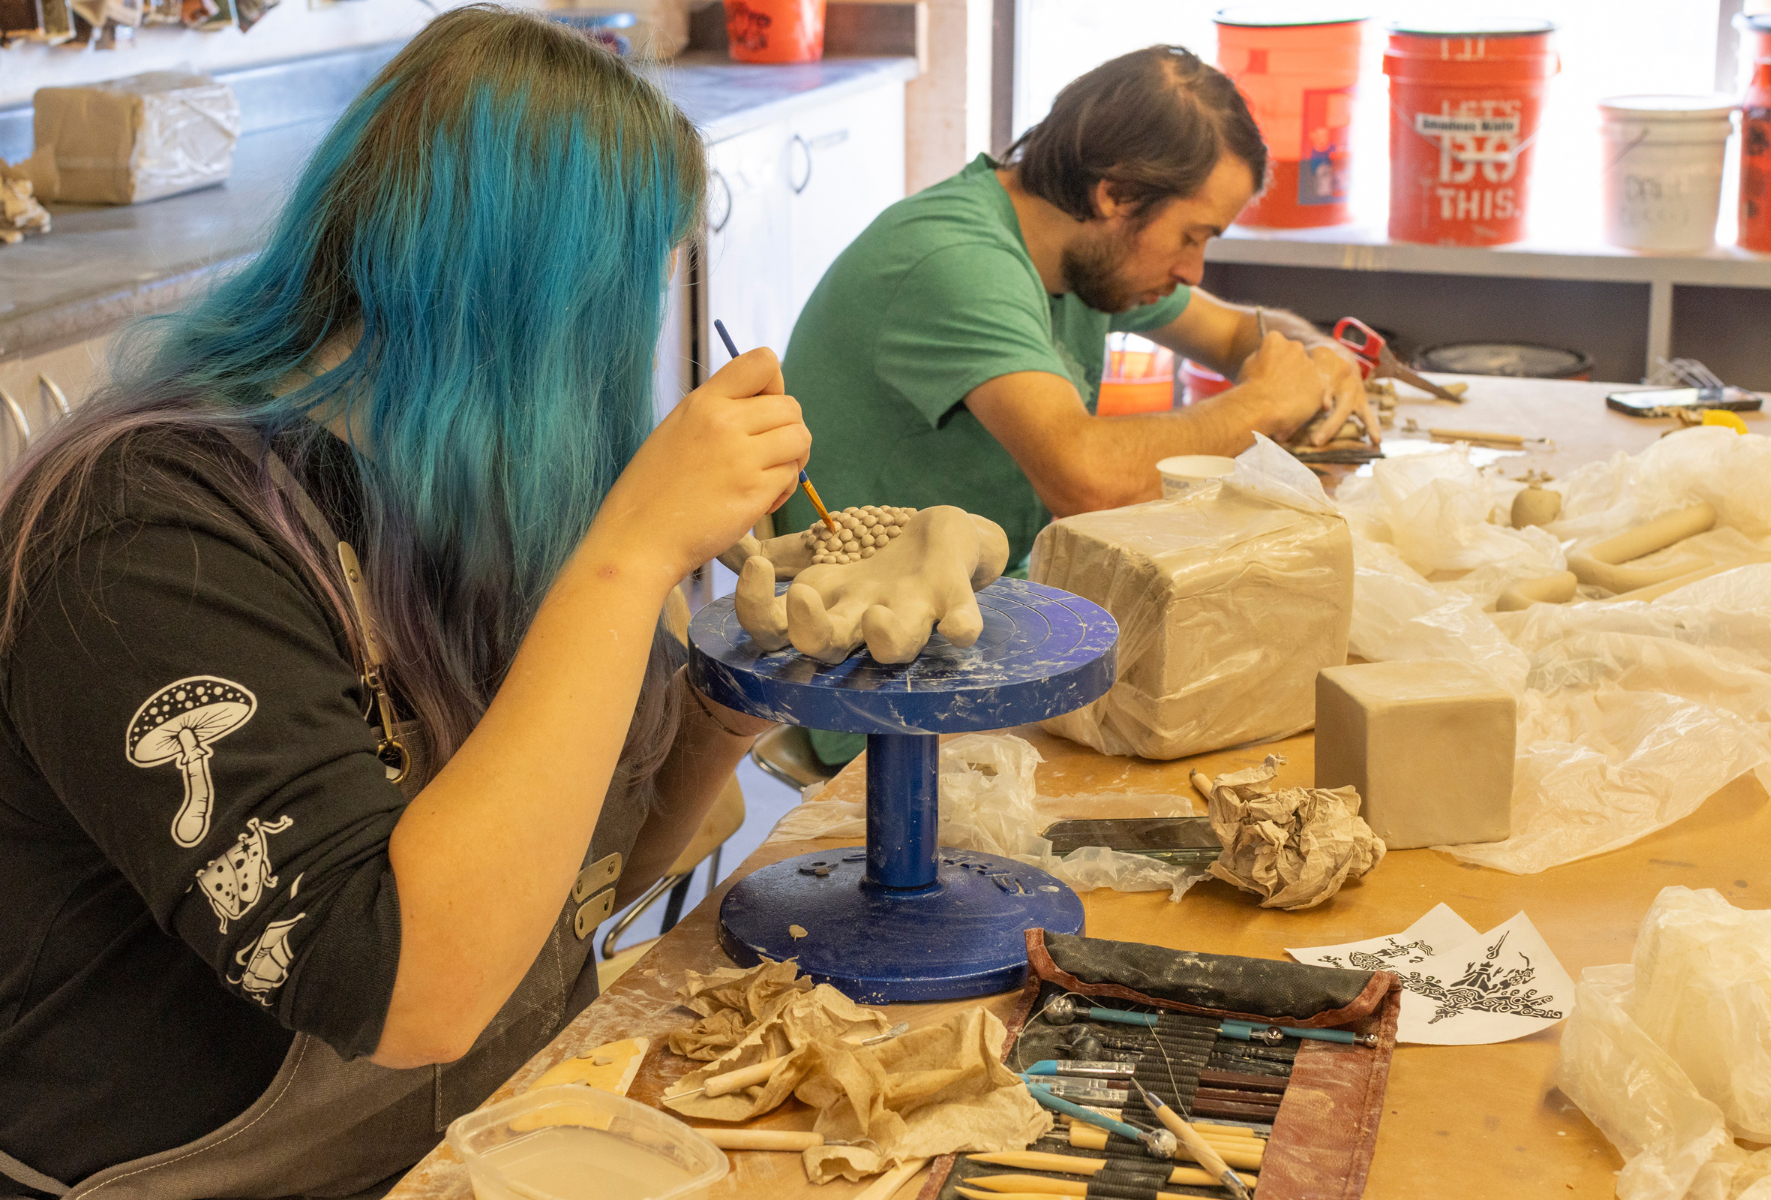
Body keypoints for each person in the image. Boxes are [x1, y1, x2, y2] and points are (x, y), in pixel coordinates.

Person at [0, 9, 812, 1196]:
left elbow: (592, 880)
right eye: (632, 290)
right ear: (545, 305)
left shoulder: (486, 496)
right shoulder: (142, 539)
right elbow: (409, 990)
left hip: (474, 1142)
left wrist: (731, 704)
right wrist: (628, 558)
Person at [773, 44, 1377, 768]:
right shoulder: (957, 260)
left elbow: (1234, 329)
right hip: (887, 675)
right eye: (1192, 236)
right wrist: (1264, 403)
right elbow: (1085, 477)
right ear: (1115, 195)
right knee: (1254, 752)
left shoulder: (1079, 253)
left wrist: (1321, 356)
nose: (1192, 268)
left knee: (1306, 666)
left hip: (987, 626)